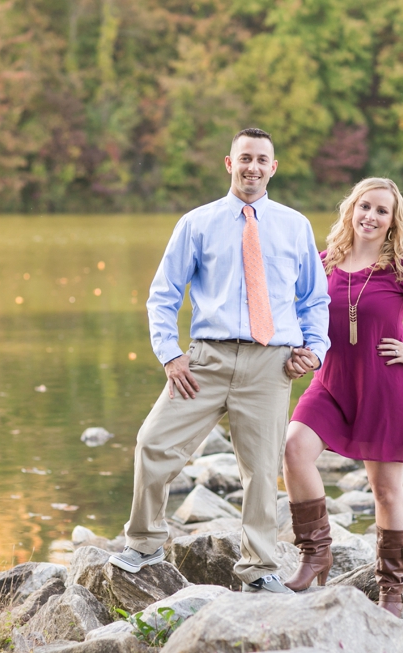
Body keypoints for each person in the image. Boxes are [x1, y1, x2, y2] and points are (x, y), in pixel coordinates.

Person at [108, 128, 330, 594]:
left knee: (262, 468)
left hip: (271, 365)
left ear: (273, 167)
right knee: (153, 442)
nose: (253, 167)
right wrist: (170, 355)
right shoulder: (197, 223)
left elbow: (315, 299)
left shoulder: (295, 226)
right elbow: (163, 295)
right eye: (244, 158)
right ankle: (145, 541)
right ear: (229, 164)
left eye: (261, 159)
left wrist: (314, 350)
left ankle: (259, 569)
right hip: (203, 362)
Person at [281, 178, 403, 616]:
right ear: (351, 209)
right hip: (330, 383)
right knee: (294, 449)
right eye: (364, 206)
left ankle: (392, 589)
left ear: (393, 221)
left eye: (381, 210)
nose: (370, 216)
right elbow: (293, 316)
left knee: (386, 491)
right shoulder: (323, 263)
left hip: (385, 388)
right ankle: (315, 554)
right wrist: (297, 349)